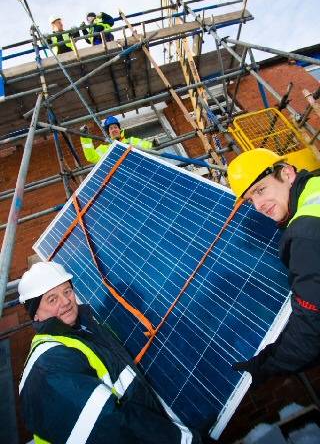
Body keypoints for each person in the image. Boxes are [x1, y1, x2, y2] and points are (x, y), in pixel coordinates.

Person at [18, 261, 201, 444]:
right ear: (35, 314)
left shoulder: (83, 331)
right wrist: (185, 440)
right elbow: (111, 425)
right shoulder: (49, 363)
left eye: (67, 291)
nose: (66, 301)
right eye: (52, 299)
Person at [227, 147, 320, 387]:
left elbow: (312, 330)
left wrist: (267, 364)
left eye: (261, 189)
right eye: (250, 200)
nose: (258, 205)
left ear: (287, 173)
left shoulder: (305, 234)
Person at [80, 115, 153, 165]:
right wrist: (85, 138)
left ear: (119, 129)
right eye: (111, 128)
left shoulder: (131, 141)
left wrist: (153, 144)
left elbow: (148, 146)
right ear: (108, 133)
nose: (114, 130)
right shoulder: (104, 149)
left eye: (115, 127)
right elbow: (91, 157)